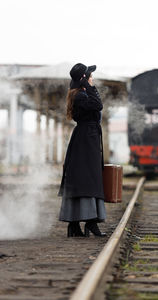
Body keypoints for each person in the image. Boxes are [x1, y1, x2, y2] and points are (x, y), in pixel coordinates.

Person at [57, 63, 107, 237]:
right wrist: (89, 86)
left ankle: (80, 224)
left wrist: (88, 86)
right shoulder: (80, 95)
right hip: (85, 139)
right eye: (89, 75)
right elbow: (98, 105)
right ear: (83, 79)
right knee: (87, 178)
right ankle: (87, 223)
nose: (92, 78)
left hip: (88, 138)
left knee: (88, 177)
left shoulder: (81, 94)